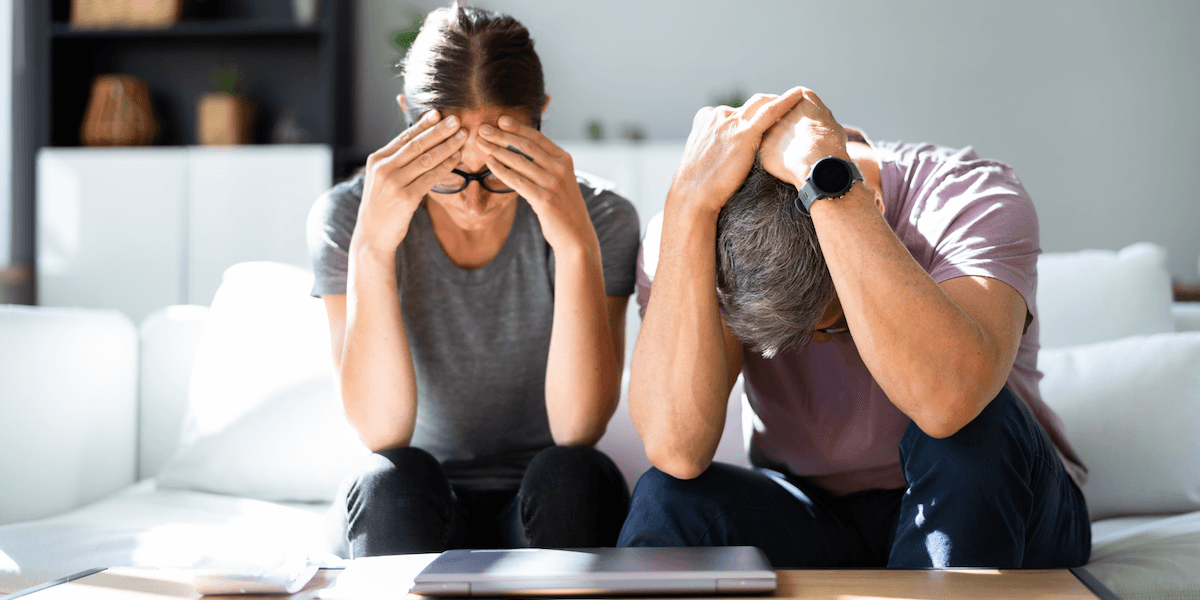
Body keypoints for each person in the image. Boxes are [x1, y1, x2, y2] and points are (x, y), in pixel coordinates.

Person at [618, 87, 1091, 568]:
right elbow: (676, 450)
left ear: (876, 207)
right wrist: (688, 207)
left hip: (996, 495)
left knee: (968, 434)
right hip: (817, 506)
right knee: (667, 498)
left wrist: (833, 190)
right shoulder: (694, 229)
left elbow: (949, 402)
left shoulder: (967, 194)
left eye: (833, 325)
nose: (820, 346)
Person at [307, 2, 639, 557]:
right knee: (389, 479)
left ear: (540, 121)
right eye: (450, 171)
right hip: (419, 501)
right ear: (408, 125)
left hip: (545, 495)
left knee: (574, 475)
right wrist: (372, 247)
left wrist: (575, 245)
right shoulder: (347, 218)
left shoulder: (601, 216)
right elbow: (381, 433)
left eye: (501, 168)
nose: (475, 199)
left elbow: (577, 428)